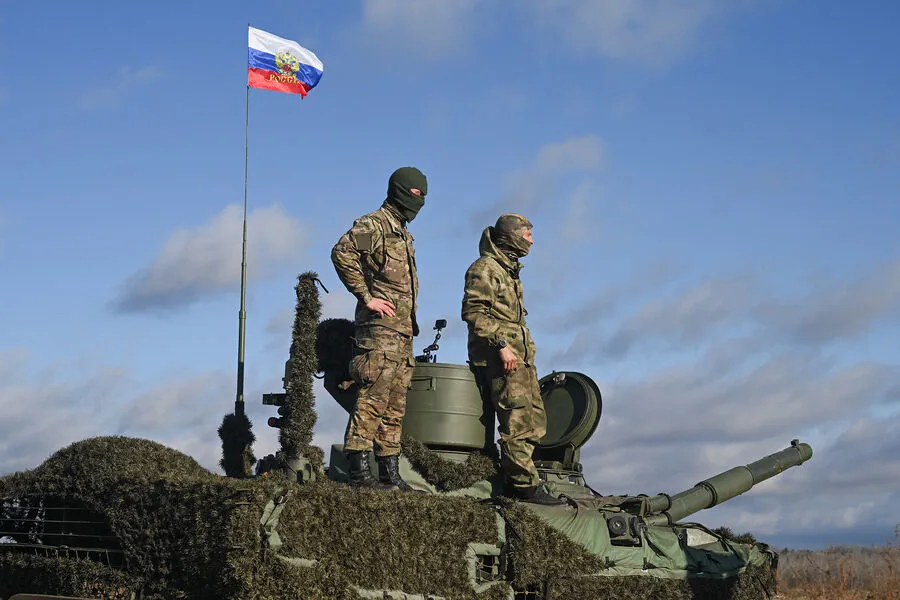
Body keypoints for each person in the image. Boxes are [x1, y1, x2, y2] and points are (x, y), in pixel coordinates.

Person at [331, 166, 427, 491]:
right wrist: (367, 296)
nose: (420, 201)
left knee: (395, 404)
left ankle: (389, 471)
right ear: (400, 190)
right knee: (373, 397)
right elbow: (342, 252)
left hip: (402, 332)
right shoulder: (374, 224)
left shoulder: (403, 232)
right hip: (379, 332)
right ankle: (358, 469)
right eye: (416, 193)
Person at [461, 213, 565, 506]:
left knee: (534, 421)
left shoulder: (508, 270)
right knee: (516, 421)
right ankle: (524, 487)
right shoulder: (485, 268)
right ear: (511, 236)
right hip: (500, 359)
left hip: (519, 359)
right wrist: (502, 345)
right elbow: (474, 313)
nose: (531, 240)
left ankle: (516, 479)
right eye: (527, 234)